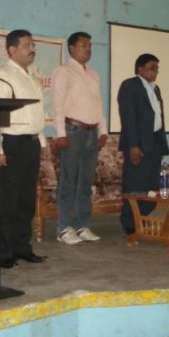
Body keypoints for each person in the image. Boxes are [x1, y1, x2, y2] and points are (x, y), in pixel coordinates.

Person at [0, 29, 47, 268]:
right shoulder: (2, 76)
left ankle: (22, 247)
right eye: (27, 45)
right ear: (12, 50)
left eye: (33, 45)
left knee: (26, 201)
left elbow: (37, 113)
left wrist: (42, 142)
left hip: (31, 144)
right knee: (8, 202)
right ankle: (4, 253)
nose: (32, 49)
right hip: (12, 144)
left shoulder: (32, 76)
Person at [51, 32, 107, 245]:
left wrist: (103, 131)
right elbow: (57, 105)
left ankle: (83, 226)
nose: (88, 49)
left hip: (92, 133)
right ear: (72, 48)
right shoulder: (63, 71)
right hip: (72, 131)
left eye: (90, 45)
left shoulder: (93, 74)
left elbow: (98, 104)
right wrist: (61, 134)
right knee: (68, 182)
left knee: (86, 182)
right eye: (83, 45)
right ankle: (64, 228)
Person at [117, 53, 169, 235]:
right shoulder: (129, 85)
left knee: (152, 186)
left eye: (157, 68)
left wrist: (161, 144)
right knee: (135, 185)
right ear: (140, 69)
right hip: (137, 144)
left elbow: (158, 117)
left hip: (154, 142)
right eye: (151, 67)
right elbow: (128, 117)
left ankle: (141, 219)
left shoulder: (156, 89)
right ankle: (130, 224)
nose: (155, 71)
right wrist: (133, 145)